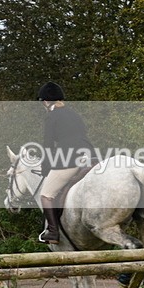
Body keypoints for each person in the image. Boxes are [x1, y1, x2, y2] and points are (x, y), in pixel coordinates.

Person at [36, 81, 94, 244]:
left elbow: (48, 145)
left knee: (46, 195)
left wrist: (45, 166)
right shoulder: (74, 114)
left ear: (46, 101)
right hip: (89, 155)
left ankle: (53, 232)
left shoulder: (52, 116)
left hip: (69, 159)